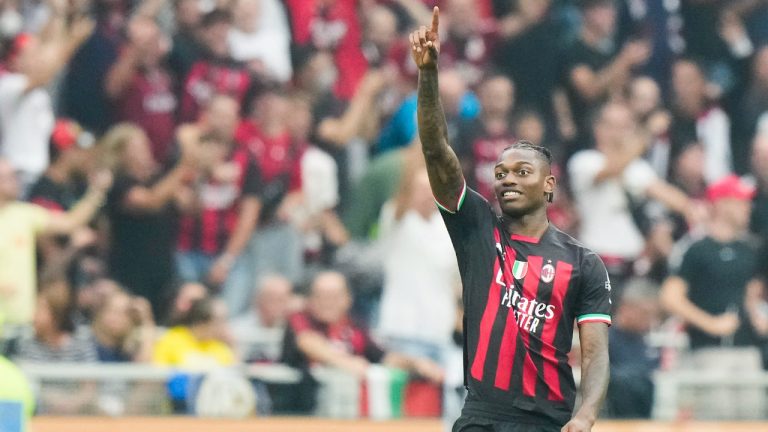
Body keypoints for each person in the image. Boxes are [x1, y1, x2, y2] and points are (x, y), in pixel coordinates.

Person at [410, 8, 611, 432]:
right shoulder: (477, 228)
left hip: (548, 420)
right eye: (501, 173)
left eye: (522, 173)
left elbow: (594, 354)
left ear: (550, 186)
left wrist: (586, 415)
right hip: (481, 417)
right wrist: (428, 79)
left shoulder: (583, 262)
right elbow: (436, 151)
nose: (507, 180)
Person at [660, 174, 766, 419]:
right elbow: (671, 297)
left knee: (754, 418)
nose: (747, 208)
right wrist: (710, 323)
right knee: (717, 418)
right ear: (722, 204)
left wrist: (756, 317)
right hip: (710, 350)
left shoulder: (749, 249)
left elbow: (750, 294)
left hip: (747, 348)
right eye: (741, 201)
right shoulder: (696, 248)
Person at [0, 158, 111, 327]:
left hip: (22, 318)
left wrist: (97, 192)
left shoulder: (23, 214)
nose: (16, 181)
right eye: (8, 177)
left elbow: (70, 223)